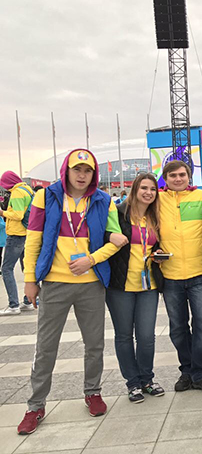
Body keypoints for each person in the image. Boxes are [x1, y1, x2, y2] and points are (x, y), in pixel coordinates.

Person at [17, 149, 127, 435]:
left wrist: (91, 260)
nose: (82, 175)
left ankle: (93, 391)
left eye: (87, 170)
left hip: (90, 284)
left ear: (94, 174)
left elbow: (115, 241)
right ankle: (35, 405)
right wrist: (30, 280)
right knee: (46, 347)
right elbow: (33, 240)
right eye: (77, 169)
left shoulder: (104, 200)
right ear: (66, 170)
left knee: (94, 344)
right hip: (54, 284)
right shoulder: (45, 197)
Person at [158, 160, 202, 395]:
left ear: (189, 176)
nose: (178, 179)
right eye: (173, 175)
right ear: (166, 178)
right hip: (170, 276)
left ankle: (201, 373)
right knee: (178, 328)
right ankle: (187, 371)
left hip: (199, 274)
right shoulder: (157, 199)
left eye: (182, 174)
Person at [106, 173, 166, 403]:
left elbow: (156, 245)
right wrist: (110, 236)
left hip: (148, 285)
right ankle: (132, 383)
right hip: (120, 285)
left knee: (146, 336)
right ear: (135, 190)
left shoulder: (154, 216)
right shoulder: (119, 213)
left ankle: (147, 379)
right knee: (124, 336)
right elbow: (103, 235)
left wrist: (158, 253)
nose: (148, 193)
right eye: (144, 188)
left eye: (152, 189)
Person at [0, 171, 35, 315]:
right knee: (26, 267)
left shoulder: (17, 193)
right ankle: (29, 301)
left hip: (16, 235)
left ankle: (13, 305)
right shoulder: (27, 190)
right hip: (26, 233)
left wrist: (2, 213)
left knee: (7, 269)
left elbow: (18, 215)